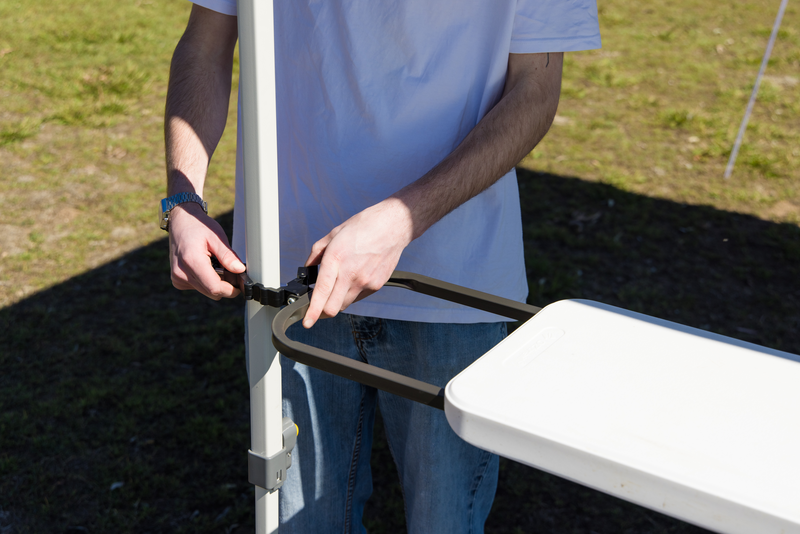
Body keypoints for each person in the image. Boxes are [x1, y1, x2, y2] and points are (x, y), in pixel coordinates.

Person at [163, 1, 600, 532]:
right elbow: (205, 41)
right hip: (290, 284)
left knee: (446, 525)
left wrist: (402, 220)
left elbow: (535, 90)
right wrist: (182, 199)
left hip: (453, 285)